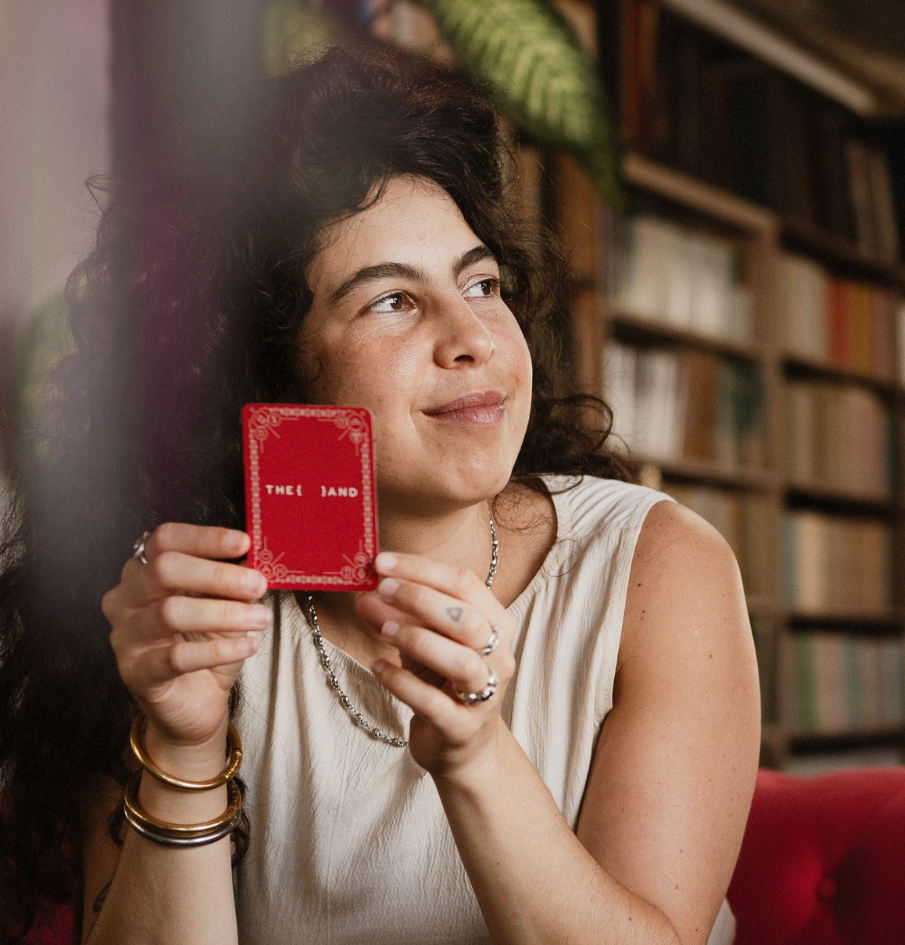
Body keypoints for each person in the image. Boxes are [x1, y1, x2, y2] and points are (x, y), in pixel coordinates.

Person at [0, 45, 759, 945]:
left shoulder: (659, 570)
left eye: (481, 282)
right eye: (392, 301)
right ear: (272, 373)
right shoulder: (175, 604)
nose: (472, 335)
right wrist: (184, 744)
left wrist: (477, 759)